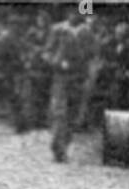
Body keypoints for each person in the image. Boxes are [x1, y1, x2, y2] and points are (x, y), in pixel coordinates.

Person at [46, 10, 95, 162]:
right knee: (60, 112)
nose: (75, 15)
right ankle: (58, 148)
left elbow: (92, 55)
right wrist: (56, 62)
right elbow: (47, 52)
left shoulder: (87, 32)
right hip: (61, 77)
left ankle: (63, 145)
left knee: (73, 114)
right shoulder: (58, 30)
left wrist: (89, 76)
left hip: (79, 77)